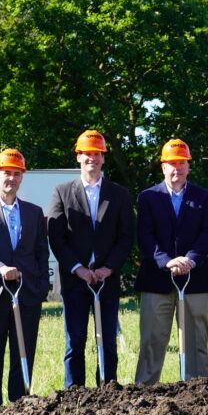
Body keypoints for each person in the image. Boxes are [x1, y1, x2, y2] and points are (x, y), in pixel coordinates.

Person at [47, 130, 134, 387]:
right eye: (87, 154)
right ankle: (74, 393)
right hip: (74, 280)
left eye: (96, 154)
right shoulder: (62, 192)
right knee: (75, 341)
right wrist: (78, 268)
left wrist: (109, 267)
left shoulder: (119, 194)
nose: (91, 159)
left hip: (107, 279)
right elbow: (56, 237)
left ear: (103, 158)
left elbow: (126, 236)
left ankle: (107, 390)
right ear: (78, 156)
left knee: (107, 340)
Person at [0, 149, 50, 407]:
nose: (11, 178)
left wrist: (41, 286)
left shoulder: (34, 212)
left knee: (23, 353)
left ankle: (20, 403)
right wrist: (0, 268)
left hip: (26, 294)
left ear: (22, 177)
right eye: (6, 173)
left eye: (16, 173)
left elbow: (40, 251)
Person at [134, 139, 208, 384]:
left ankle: (199, 391)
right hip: (156, 279)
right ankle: (144, 392)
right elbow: (145, 235)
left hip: (195, 278)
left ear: (188, 167)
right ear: (163, 167)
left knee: (196, 341)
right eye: (171, 163)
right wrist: (167, 261)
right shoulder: (147, 197)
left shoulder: (203, 197)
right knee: (151, 339)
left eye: (181, 163)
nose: (176, 168)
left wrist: (190, 259)